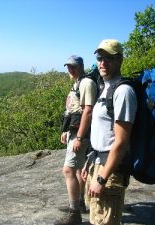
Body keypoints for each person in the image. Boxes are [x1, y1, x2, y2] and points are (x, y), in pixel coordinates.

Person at [81, 39, 137, 225]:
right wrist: (89, 163)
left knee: (105, 221)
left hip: (110, 170)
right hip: (97, 162)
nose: (103, 62)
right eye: (100, 58)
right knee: (96, 217)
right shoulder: (105, 88)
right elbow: (101, 132)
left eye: (109, 58)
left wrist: (102, 178)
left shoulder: (123, 92)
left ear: (119, 60)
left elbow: (120, 142)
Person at [55, 55, 97, 225]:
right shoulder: (77, 83)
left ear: (81, 66)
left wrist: (79, 137)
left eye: (73, 66)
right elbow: (73, 109)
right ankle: (79, 204)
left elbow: (88, 111)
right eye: (68, 67)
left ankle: (75, 214)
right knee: (78, 170)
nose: (70, 69)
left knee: (69, 170)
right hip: (75, 131)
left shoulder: (86, 83)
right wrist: (66, 130)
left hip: (82, 134)